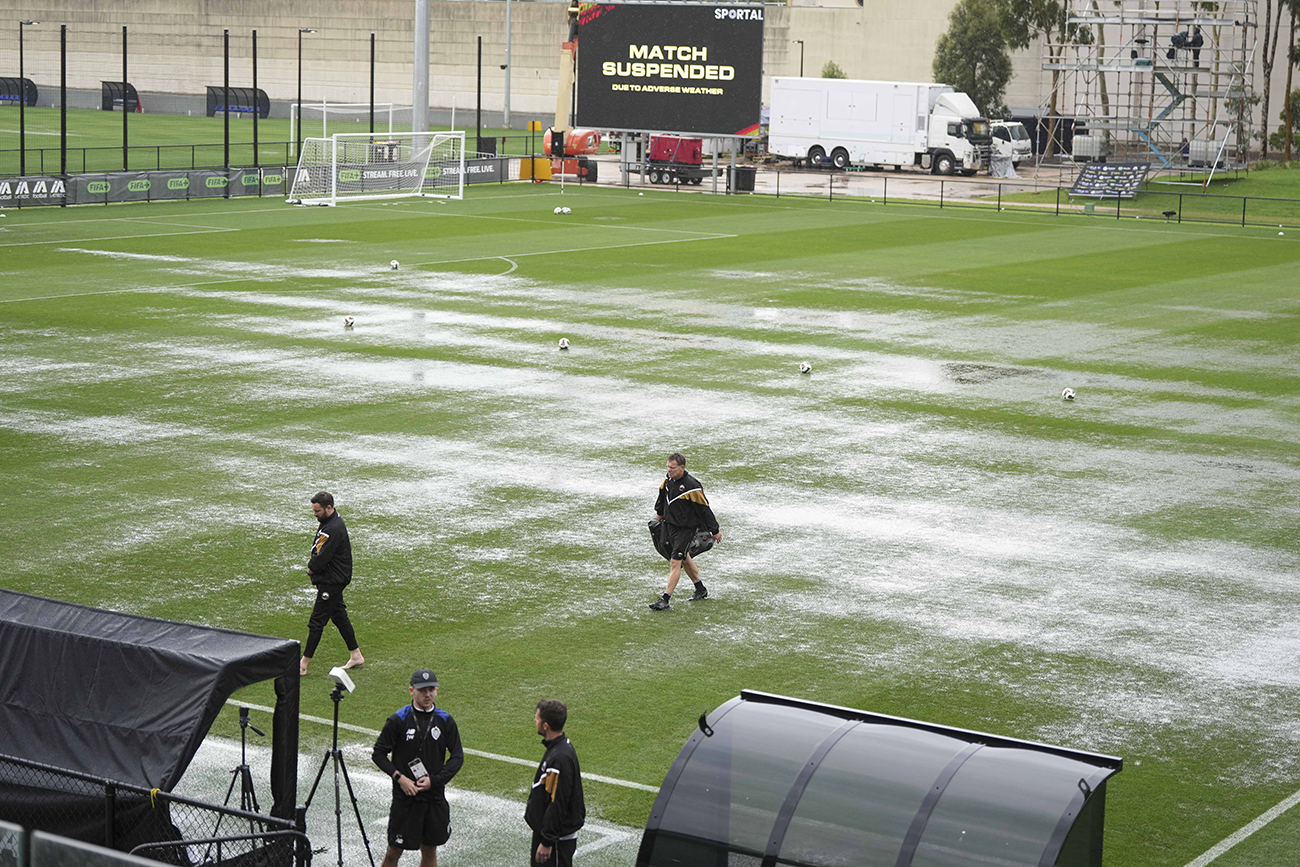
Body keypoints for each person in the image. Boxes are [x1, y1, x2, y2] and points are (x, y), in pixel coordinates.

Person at [372, 669, 465, 867]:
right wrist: (400, 778)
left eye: (431, 689)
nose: (427, 694)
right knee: (393, 852)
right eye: (422, 690)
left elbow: (457, 757)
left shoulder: (445, 720)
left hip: (434, 796)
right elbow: (378, 754)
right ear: (411, 690)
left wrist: (435, 780)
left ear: (437, 690)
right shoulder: (398, 719)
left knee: (430, 850)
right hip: (406, 798)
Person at [300, 491, 364, 676]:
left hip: (332, 580)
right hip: (335, 577)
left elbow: (322, 556)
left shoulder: (332, 528)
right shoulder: (332, 521)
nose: (315, 514)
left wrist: (311, 570)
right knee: (338, 615)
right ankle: (356, 655)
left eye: (317, 511)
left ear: (328, 508)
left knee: (317, 621)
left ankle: (303, 665)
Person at [649, 452, 721, 610]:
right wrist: (659, 512)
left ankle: (665, 599)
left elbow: (704, 509)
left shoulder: (692, 487)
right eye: (668, 467)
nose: (669, 470)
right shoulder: (668, 480)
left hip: (686, 529)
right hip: (670, 526)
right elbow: (662, 495)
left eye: (673, 468)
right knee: (685, 558)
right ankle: (700, 589)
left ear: (682, 467)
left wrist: (714, 530)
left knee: (675, 561)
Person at [525, 699, 585, 867]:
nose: (535, 720)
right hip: (551, 836)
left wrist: (547, 841)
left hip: (556, 841)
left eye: (537, 718)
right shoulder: (559, 748)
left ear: (546, 725)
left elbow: (558, 802)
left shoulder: (559, 758)